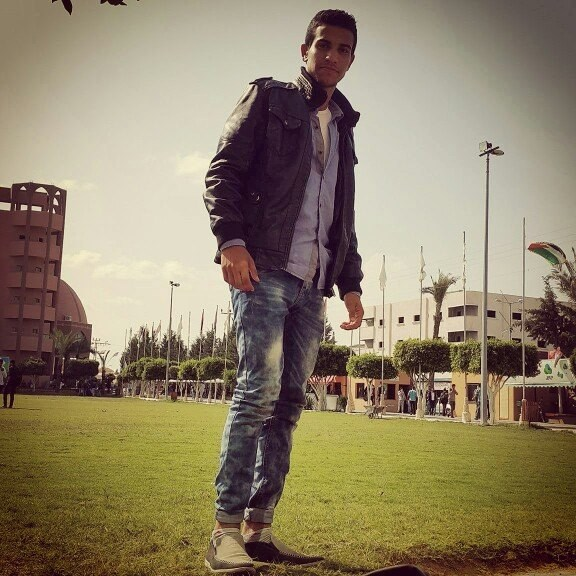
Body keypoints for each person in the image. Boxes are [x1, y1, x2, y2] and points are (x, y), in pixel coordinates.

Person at [202, 10, 363, 574]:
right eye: (324, 45)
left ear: (351, 59)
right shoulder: (269, 98)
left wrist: (350, 284)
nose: (332, 56)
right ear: (305, 49)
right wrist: (231, 241)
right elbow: (222, 171)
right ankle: (223, 532)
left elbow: (342, 215)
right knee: (258, 393)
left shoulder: (344, 126)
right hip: (264, 270)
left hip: (314, 287)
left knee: (290, 404)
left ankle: (259, 530)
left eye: (343, 49)